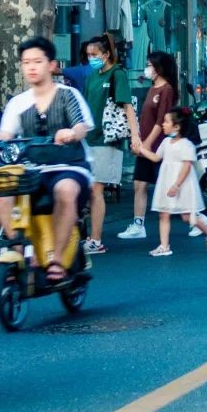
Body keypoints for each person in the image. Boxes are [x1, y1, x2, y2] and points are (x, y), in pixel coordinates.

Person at [0, 36, 93, 283]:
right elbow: (6, 134)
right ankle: (22, 255)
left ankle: (58, 261)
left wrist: (71, 132)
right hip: (32, 170)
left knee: (65, 190)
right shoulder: (18, 103)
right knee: (1, 195)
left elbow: (82, 126)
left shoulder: (67, 95)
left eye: (37, 61)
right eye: (26, 62)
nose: (31, 66)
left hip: (70, 166)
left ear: (51, 64)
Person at [81, 32, 138, 255]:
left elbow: (128, 107)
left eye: (94, 54)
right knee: (86, 189)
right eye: (88, 55)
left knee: (96, 189)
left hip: (107, 140)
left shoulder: (117, 75)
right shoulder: (93, 76)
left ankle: (95, 240)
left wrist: (135, 137)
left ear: (106, 54)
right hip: (89, 139)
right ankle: (89, 235)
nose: (90, 58)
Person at [117, 50, 178, 241]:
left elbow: (161, 122)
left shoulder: (166, 90)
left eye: (150, 65)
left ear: (159, 68)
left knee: (171, 186)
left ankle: (196, 217)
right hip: (145, 146)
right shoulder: (152, 88)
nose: (147, 68)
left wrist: (146, 144)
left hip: (158, 147)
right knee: (139, 185)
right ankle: (138, 224)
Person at [145, 106, 207, 255]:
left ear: (177, 127)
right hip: (167, 182)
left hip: (183, 184)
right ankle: (164, 246)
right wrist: (141, 149)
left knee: (188, 217)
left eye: (166, 122)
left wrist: (177, 185)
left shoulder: (186, 145)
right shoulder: (166, 142)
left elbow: (186, 166)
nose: (163, 124)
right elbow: (156, 157)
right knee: (164, 213)